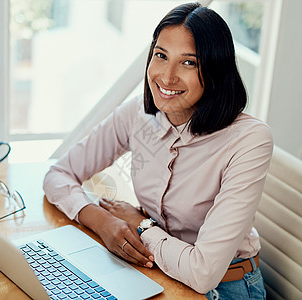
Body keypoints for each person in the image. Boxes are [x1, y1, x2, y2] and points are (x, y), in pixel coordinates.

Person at [43, 2, 273, 299]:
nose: (166, 77)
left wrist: (140, 225)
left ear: (215, 70)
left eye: (188, 62)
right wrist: (102, 221)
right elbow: (58, 174)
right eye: (161, 56)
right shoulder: (139, 115)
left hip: (224, 288)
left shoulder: (248, 140)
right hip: (155, 271)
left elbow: (203, 274)